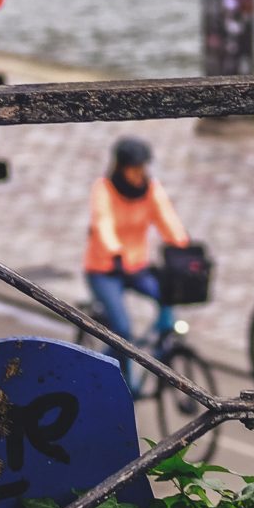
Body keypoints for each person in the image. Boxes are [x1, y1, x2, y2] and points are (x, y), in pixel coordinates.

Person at [84, 136, 191, 391]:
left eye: (141, 167)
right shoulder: (104, 189)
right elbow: (103, 223)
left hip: (136, 267)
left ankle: (162, 350)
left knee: (167, 295)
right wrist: (115, 251)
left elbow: (166, 217)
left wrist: (183, 246)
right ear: (121, 168)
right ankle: (109, 372)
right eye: (133, 168)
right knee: (122, 329)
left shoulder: (150, 189)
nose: (138, 173)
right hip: (105, 269)